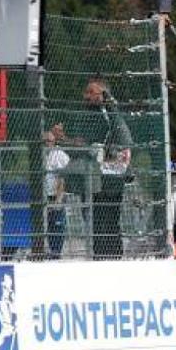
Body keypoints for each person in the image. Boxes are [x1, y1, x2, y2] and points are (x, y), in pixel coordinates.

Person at [65, 78, 133, 259]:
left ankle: (112, 257)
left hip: (110, 178)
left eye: (90, 92)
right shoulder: (85, 115)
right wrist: (64, 139)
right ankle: (99, 256)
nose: (85, 96)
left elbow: (121, 135)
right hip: (92, 177)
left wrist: (108, 102)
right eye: (86, 92)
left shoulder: (110, 114)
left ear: (102, 94)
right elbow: (80, 144)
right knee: (93, 219)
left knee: (109, 219)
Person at [42, 122, 70, 259]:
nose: (47, 143)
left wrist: (59, 198)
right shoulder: (40, 155)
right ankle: (48, 249)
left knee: (57, 223)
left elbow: (62, 178)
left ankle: (56, 251)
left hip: (56, 195)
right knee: (47, 224)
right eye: (45, 141)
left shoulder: (59, 154)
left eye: (50, 141)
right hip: (44, 195)